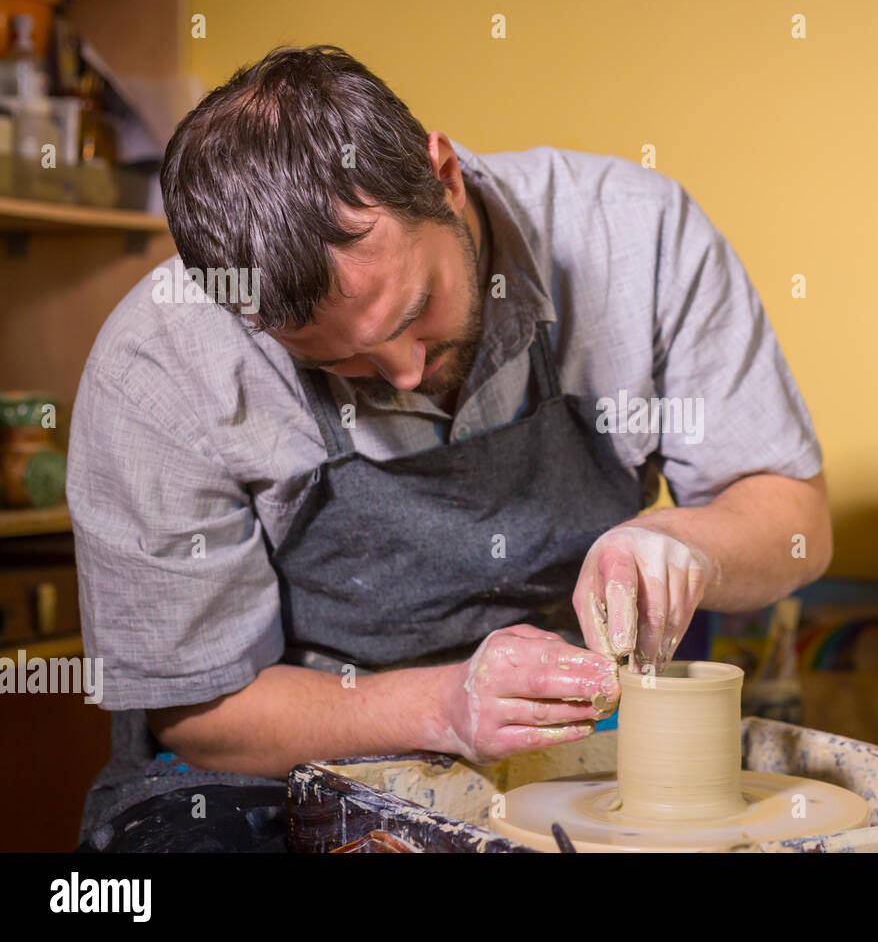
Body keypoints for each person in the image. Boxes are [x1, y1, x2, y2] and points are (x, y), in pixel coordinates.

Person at [68, 45, 831, 851]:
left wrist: (683, 542)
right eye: (335, 360)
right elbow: (201, 713)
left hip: (576, 747)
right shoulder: (159, 368)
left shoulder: (639, 240)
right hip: (270, 772)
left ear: (444, 174)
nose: (401, 372)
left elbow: (796, 522)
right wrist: (446, 707)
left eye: (416, 310)